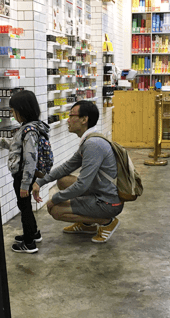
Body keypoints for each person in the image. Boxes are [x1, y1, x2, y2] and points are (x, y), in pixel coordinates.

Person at [32, 101, 123, 243]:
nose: (68, 120)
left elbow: (82, 185)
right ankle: (87, 224)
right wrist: (40, 181)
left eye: (71, 115)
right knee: (63, 180)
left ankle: (107, 222)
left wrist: (53, 200)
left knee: (56, 210)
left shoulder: (93, 145)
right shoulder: (89, 140)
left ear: (84, 119)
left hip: (108, 202)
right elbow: (66, 168)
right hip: (101, 191)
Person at [0, 90, 50, 254]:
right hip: (25, 175)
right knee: (25, 206)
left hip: (23, 175)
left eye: (13, 111)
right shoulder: (29, 128)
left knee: (24, 207)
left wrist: (25, 184)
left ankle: (28, 243)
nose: (12, 114)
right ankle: (32, 233)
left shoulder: (29, 131)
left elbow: (30, 159)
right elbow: (13, 144)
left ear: (22, 110)